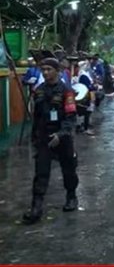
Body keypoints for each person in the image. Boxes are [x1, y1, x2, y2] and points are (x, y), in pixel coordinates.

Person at [22, 58, 79, 225]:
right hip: (44, 137)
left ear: (57, 71)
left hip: (63, 137)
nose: (45, 72)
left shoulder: (66, 91)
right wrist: (34, 137)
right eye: (43, 69)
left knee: (69, 169)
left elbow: (71, 117)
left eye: (49, 69)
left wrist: (60, 135)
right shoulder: (38, 90)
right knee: (41, 172)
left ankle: (71, 197)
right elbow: (36, 117)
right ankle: (36, 207)